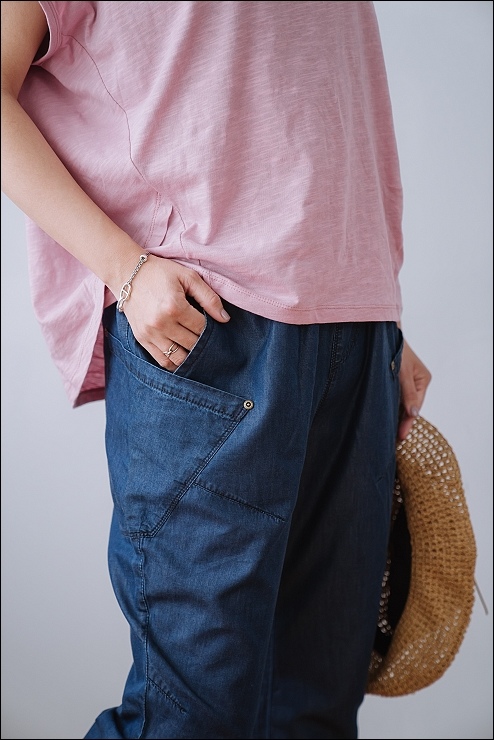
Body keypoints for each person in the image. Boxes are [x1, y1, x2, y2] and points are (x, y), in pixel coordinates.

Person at [1, 1, 432, 737]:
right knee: (193, 720)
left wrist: (380, 308)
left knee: (316, 711)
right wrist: (123, 267)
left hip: (358, 331)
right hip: (212, 329)